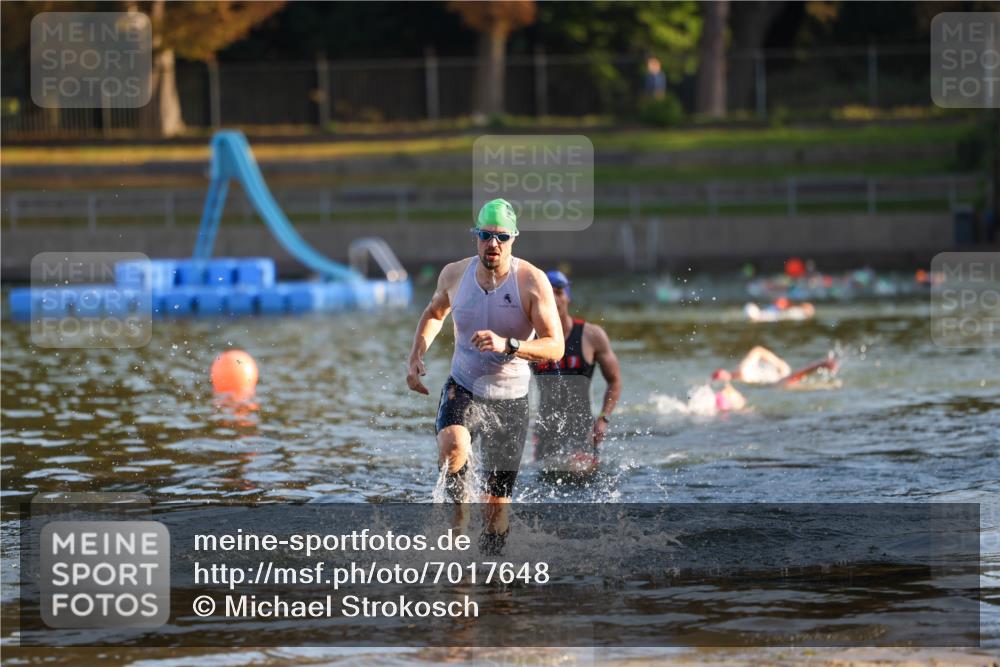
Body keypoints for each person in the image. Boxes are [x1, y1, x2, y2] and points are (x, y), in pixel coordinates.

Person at [405, 199, 563, 545]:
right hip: (464, 386)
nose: (493, 244)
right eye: (485, 235)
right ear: (475, 236)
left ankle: (493, 570)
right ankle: (458, 525)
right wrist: (416, 354)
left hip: (510, 399)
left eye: (502, 237)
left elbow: (555, 346)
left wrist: (509, 345)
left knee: (495, 514)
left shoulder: (531, 281)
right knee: (452, 445)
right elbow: (434, 313)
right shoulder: (454, 274)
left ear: (513, 239)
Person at [531, 270, 621, 476]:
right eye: (548, 293)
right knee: (546, 482)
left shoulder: (592, 335)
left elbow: (614, 381)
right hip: (546, 432)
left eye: (558, 292)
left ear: (568, 296)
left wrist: (603, 419)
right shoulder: (530, 338)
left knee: (581, 475)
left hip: (583, 430)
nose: (554, 298)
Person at [713, 346, 838, 387]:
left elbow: (758, 350)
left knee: (785, 383)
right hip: (778, 375)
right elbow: (758, 350)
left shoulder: (743, 370)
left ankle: (821, 364)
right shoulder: (741, 372)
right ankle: (820, 365)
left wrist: (777, 363)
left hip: (779, 376)